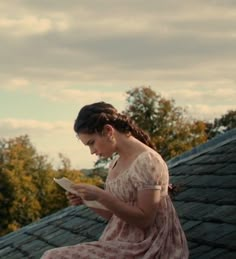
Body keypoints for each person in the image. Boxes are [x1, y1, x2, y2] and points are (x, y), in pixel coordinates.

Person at [41, 101, 189, 259]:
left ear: (108, 131)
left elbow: (145, 220)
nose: (92, 151)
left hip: (148, 245)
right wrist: (87, 200)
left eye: (92, 143)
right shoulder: (115, 163)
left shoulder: (147, 161)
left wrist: (101, 196)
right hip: (122, 241)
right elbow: (115, 217)